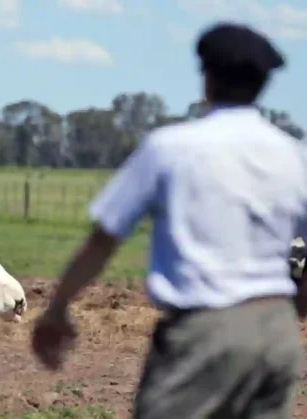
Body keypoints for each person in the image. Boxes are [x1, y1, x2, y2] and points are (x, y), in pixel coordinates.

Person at [31, 21, 307, 419]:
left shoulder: (169, 149)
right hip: (276, 332)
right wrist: (293, 309)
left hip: (203, 330)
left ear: (207, 79)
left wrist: (57, 309)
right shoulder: (293, 157)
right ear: (264, 85)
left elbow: (103, 240)